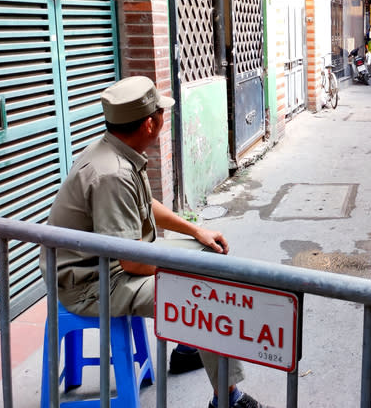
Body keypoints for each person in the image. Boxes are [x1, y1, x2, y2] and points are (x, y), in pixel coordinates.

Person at [41, 76, 261, 408]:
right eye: (160, 114)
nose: (162, 119)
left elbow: (144, 204)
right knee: (207, 298)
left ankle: (190, 347)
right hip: (92, 283)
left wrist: (194, 232)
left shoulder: (118, 148)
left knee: (209, 252)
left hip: (111, 263)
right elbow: (133, 263)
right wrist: (190, 268)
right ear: (149, 124)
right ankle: (227, 399)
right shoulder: (112, 173)